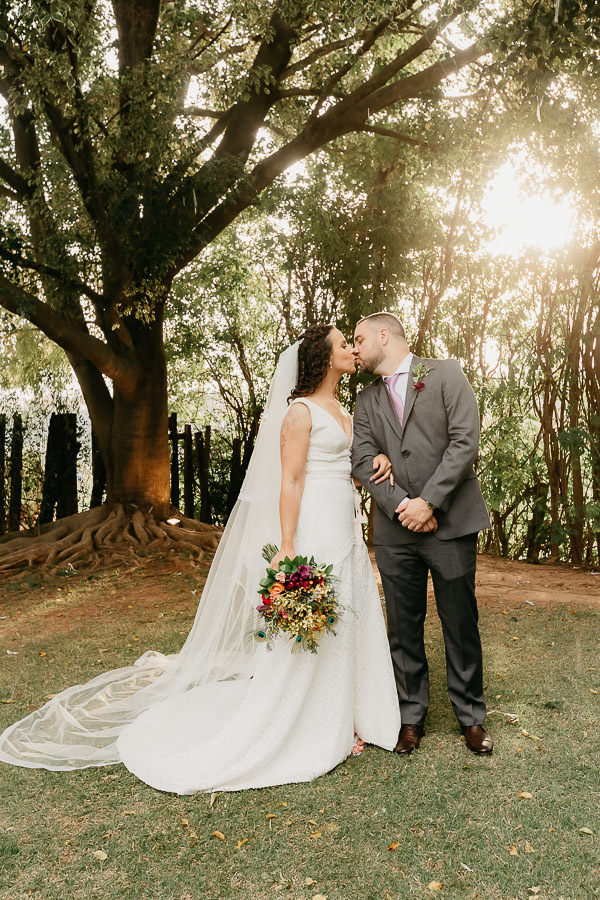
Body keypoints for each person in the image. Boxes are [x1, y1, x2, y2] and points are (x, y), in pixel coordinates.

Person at [0, 325, 400, 792]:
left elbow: (345, 467)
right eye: (343, 343)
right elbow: (290, 483)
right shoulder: (300, 413)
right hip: (312, 526)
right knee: (315, 621)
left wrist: (378, 465)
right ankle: (310, 719)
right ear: (322, 357)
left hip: (345, 525)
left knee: (349, 614)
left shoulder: (345, 412)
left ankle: (350, 712)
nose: (352, 349)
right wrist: (289, 546)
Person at [352, 312, 493, 756]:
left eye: (358, 339)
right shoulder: (363, 401)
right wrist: (401, 506)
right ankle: (410, 716)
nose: (354, 349)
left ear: (383, 334)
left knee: (460, 621)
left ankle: (471, 716)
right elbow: (361, 460)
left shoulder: (446, 373)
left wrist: (428, 503)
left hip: (450, 524)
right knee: (403, 626)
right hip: (397, 534)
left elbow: (464, 441)